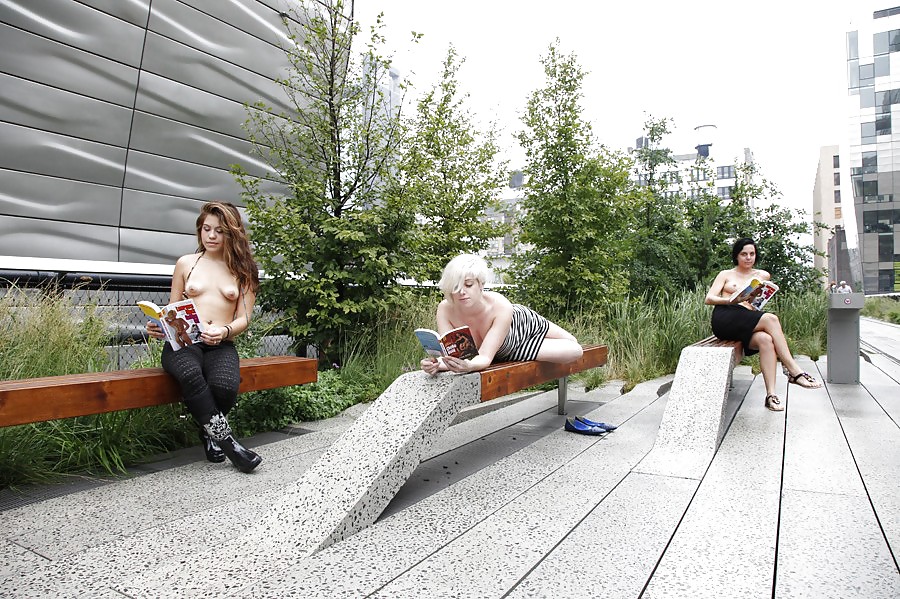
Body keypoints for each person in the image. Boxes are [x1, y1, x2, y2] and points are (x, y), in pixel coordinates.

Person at [146, 201, 262, 473]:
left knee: (225, 386)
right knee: (190, 374)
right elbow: (171, 309)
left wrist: (223, 331)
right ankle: (231, 444)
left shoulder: (244, 271)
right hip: (184, 341)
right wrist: (160, 325)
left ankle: (209, 433)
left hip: (220, 342)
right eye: (206, 229)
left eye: (219, 231)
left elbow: (244, 318)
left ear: (231, 234)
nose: (211, 236)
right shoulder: (186, 263)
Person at [705, 238, 822, 412]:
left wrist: (753, 298)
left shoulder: (761, 275)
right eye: (744, 254)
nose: (748, 257)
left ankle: (771, 395)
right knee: (771, 319)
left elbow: (756, 302)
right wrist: (731, 299)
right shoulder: (726, 274)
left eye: (752, 254)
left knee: (766, 340)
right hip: (725, 317)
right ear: (736, 256)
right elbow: (709, 299)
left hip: (746, 318)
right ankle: (794, 371)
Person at [420, 254, 583, 376]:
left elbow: (483, 357)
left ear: (481, 284)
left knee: (574, 346)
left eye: (468, 285)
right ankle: (529, 348)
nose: (462, 292)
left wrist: (469, 366)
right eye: (455, 287)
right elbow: (455, 356)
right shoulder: (445, 309)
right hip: (510, 351)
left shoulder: (500, 306)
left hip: (521, 323)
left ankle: (535, 342)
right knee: (572, 350)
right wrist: (435, 364)